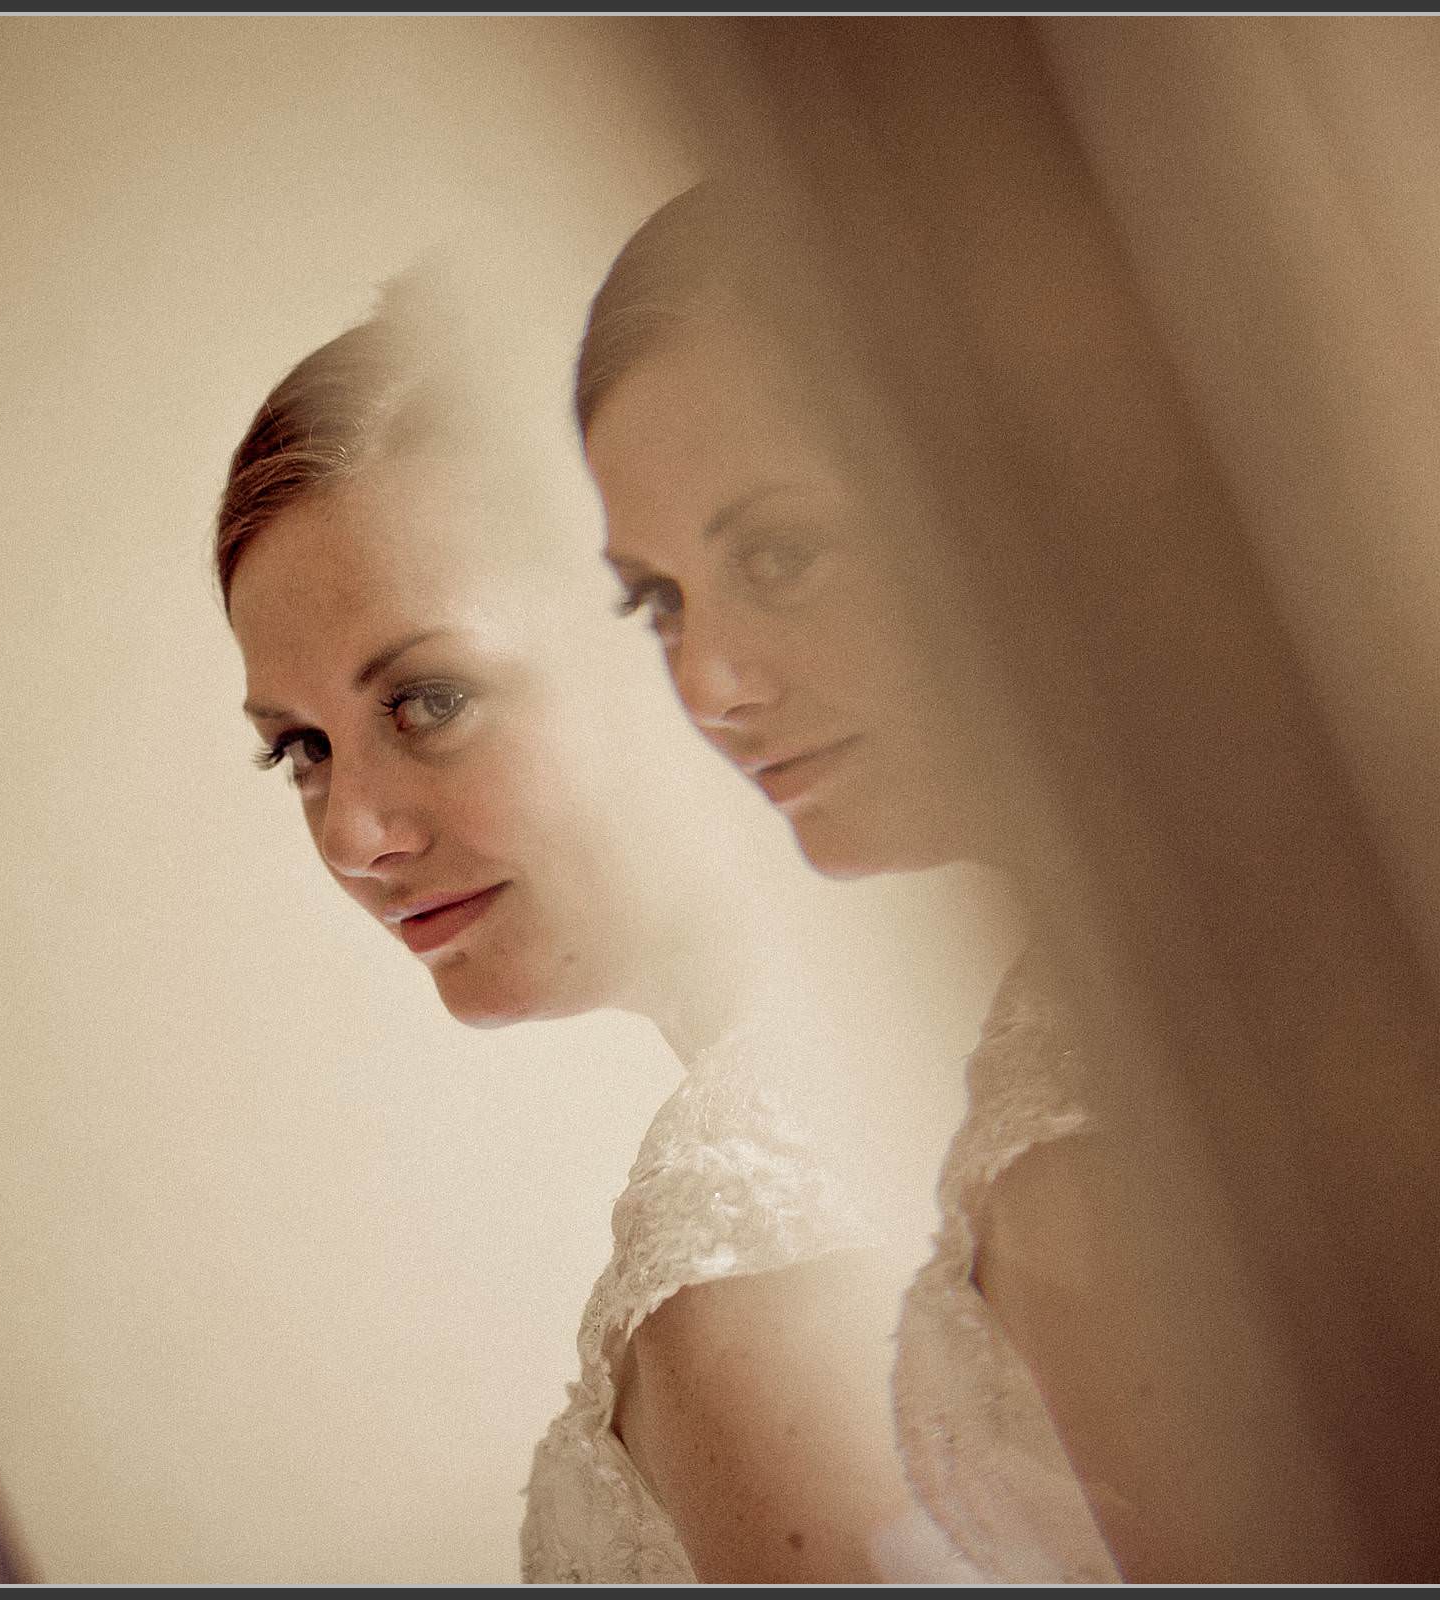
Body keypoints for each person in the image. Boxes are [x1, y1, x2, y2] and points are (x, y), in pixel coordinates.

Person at [571, 180, 1440, 1581]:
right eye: (656, 599)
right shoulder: (1104, 1007)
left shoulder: (1102, 1132)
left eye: (780, 554)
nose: (707, 686)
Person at [211, 269, 981, 1583]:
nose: (349, 834)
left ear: (654, 627)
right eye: (302, 750)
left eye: (426, 702)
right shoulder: (920, 1061)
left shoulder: (749, 1283)